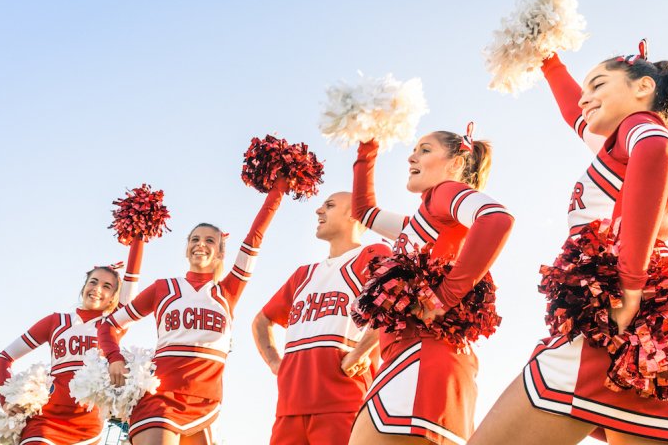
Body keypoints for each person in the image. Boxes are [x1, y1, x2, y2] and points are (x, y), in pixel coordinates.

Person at [468, 46, 668, 445]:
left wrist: (629, 286)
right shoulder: (613, 146)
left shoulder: (641, 125)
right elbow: (572, 110)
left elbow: (656, 146)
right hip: (648, 338)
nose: (584, 96)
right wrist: (547, 59)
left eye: (598, 84)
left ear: (643, 88)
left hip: (617, 319)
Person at [347, 129, 514, 445]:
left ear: (455, 164)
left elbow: (495, 218)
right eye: (413, 149)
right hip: (417, 359)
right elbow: (364, 212)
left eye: (424, 150)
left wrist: (445, 297)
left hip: (421, 359)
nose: (411, 156)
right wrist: (367, 144)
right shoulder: (421, 220)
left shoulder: (444, 194)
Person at [98, 179, 287, 445]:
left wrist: (278, 189)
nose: (201, 244)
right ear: (187, 248)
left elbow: (255, 237)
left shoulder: (227, 292)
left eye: (210, 240)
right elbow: (108, 325)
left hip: (207, 404)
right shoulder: (163, 288)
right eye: (195, 239)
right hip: (160, 398)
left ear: (221, 252)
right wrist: (114, 356)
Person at [252, 191, 392, 445]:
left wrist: (360, 352)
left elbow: (394, 298)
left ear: (354, 214)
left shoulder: (372, 254)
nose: (318, 211)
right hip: (289, 407)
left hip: (344, 402)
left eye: (329, 205)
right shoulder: (303, 275)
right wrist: (275, 363)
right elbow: (261, 321)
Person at [0, 264, 131, 445]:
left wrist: (137, 237)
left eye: (107, 286)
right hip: (44, 420)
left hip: (86, 426)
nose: (97, 289)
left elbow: (131, 285)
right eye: (93, 282)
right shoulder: (56, 322)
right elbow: (3, 358)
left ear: (114, 297)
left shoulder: (112, 325)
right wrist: (6, 401)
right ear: (84, 287)